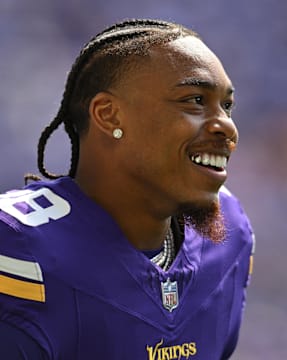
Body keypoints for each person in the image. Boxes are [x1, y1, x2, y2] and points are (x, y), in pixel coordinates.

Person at [0, 19, 255, 359]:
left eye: (227, 106)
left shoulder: (228, 235)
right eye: (194, 100)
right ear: (109, 115)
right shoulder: (18, 245)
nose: (227, 126)